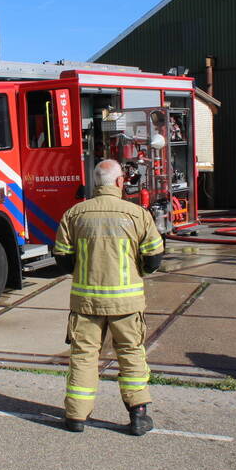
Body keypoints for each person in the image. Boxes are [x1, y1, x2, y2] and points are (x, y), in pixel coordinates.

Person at [52, 159, 164, 435]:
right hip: (127, 303)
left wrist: (84, 270)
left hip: (86, 302)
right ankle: (138, 415)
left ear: (95, 183)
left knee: (83, 355)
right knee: (130, 353)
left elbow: (62, 258)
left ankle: (76, 416)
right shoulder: (137, 215)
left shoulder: (75, 214)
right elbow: (154, 258)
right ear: (119, 182)